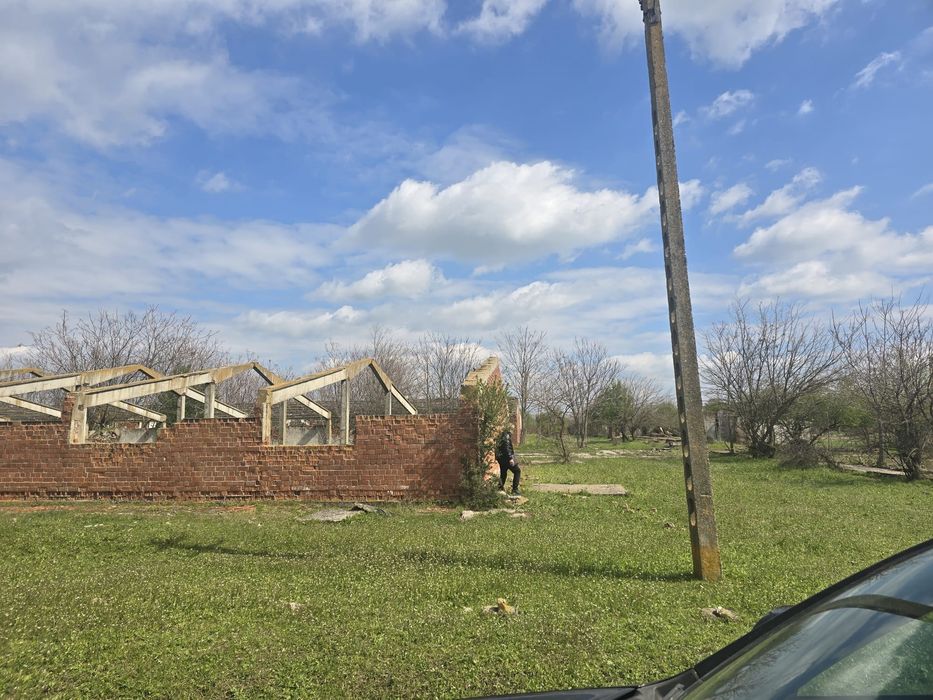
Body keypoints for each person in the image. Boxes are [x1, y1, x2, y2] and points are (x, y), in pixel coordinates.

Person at [495, 428, 521, 495]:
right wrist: (510, 458)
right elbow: (506, 448)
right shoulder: (506, 436)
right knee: (517, 471)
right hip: (506, 458)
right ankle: (515, 489)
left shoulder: (501, 435)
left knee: (503, 473)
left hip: (501, 458)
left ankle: (500, 488)